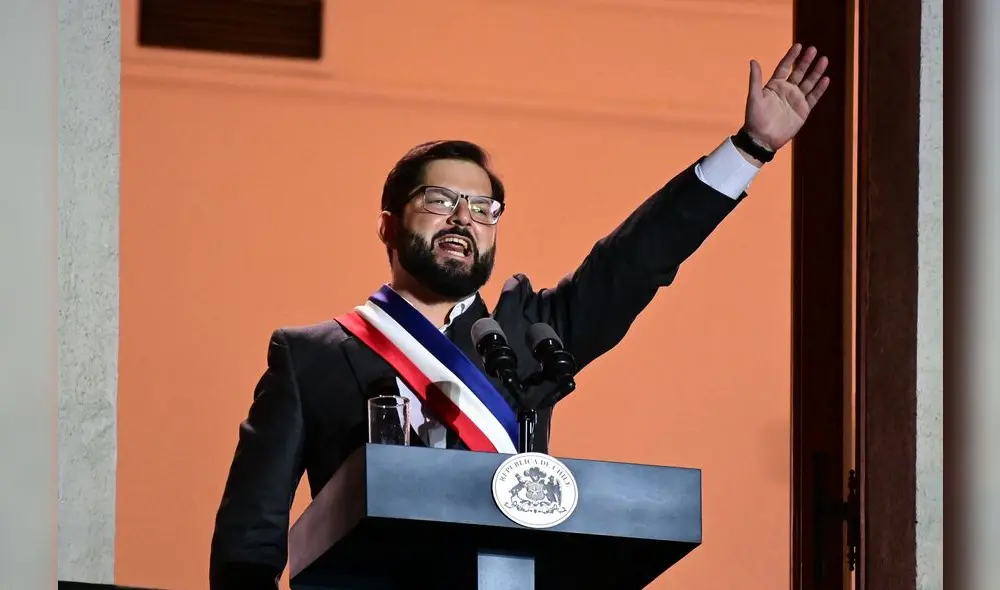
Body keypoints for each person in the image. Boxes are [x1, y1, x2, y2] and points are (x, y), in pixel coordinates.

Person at [209, 43, 830, 589]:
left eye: (484, 208)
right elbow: (250, 537)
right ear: (388, 224)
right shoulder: (310, 355)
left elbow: (636, 260)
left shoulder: (532, 335)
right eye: (440, 200)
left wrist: (748, 150)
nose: (463, 218)